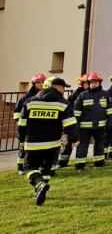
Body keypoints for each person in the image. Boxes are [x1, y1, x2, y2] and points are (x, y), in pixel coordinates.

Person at [18, 77, 78, 205]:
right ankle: (41, 189)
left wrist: (21, 139)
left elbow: (21, 124)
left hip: (32, 143)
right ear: (56, 87)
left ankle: (39, 185)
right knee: (46, 169)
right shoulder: (62, 103)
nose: (64, 90)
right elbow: (70, 124)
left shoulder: (30, 102)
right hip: (52, 144)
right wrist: (73, 139)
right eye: (63, 87)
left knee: (30, 167)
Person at [73, 73, 111, 169]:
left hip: (100, 126)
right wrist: (76, 126)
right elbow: (76, 113)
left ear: (99, 83)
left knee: (99, 145)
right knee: (82, 146)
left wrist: (109, 123)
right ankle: (80, 165)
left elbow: (110, 111)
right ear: (89, 83)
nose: (93, 84)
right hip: (84, 127)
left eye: (96, 82)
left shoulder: (105, 94)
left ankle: (99, 162)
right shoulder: (82, 95)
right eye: (92, 82)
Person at [14, 73, 46, 175]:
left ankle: (36, 166)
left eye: (42, 82)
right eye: (38, 82)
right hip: (27, 126)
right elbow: (17, 112)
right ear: (34, 84)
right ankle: (20, 167)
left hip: (39, 127)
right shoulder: (26, 97)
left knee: (38, 148)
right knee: (23, 147)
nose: (40, 84)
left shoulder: (45, 96)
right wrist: (20, 122)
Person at [58, 74, 86, 168]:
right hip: (73, 121)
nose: (87, 85)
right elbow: (68, 106)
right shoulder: (75, 94)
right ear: (81, 84)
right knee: (68, 142)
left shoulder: (91, 94)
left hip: (84, 122)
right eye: (85, 83)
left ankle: (80, 160)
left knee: (81, 143)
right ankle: (63, 161)